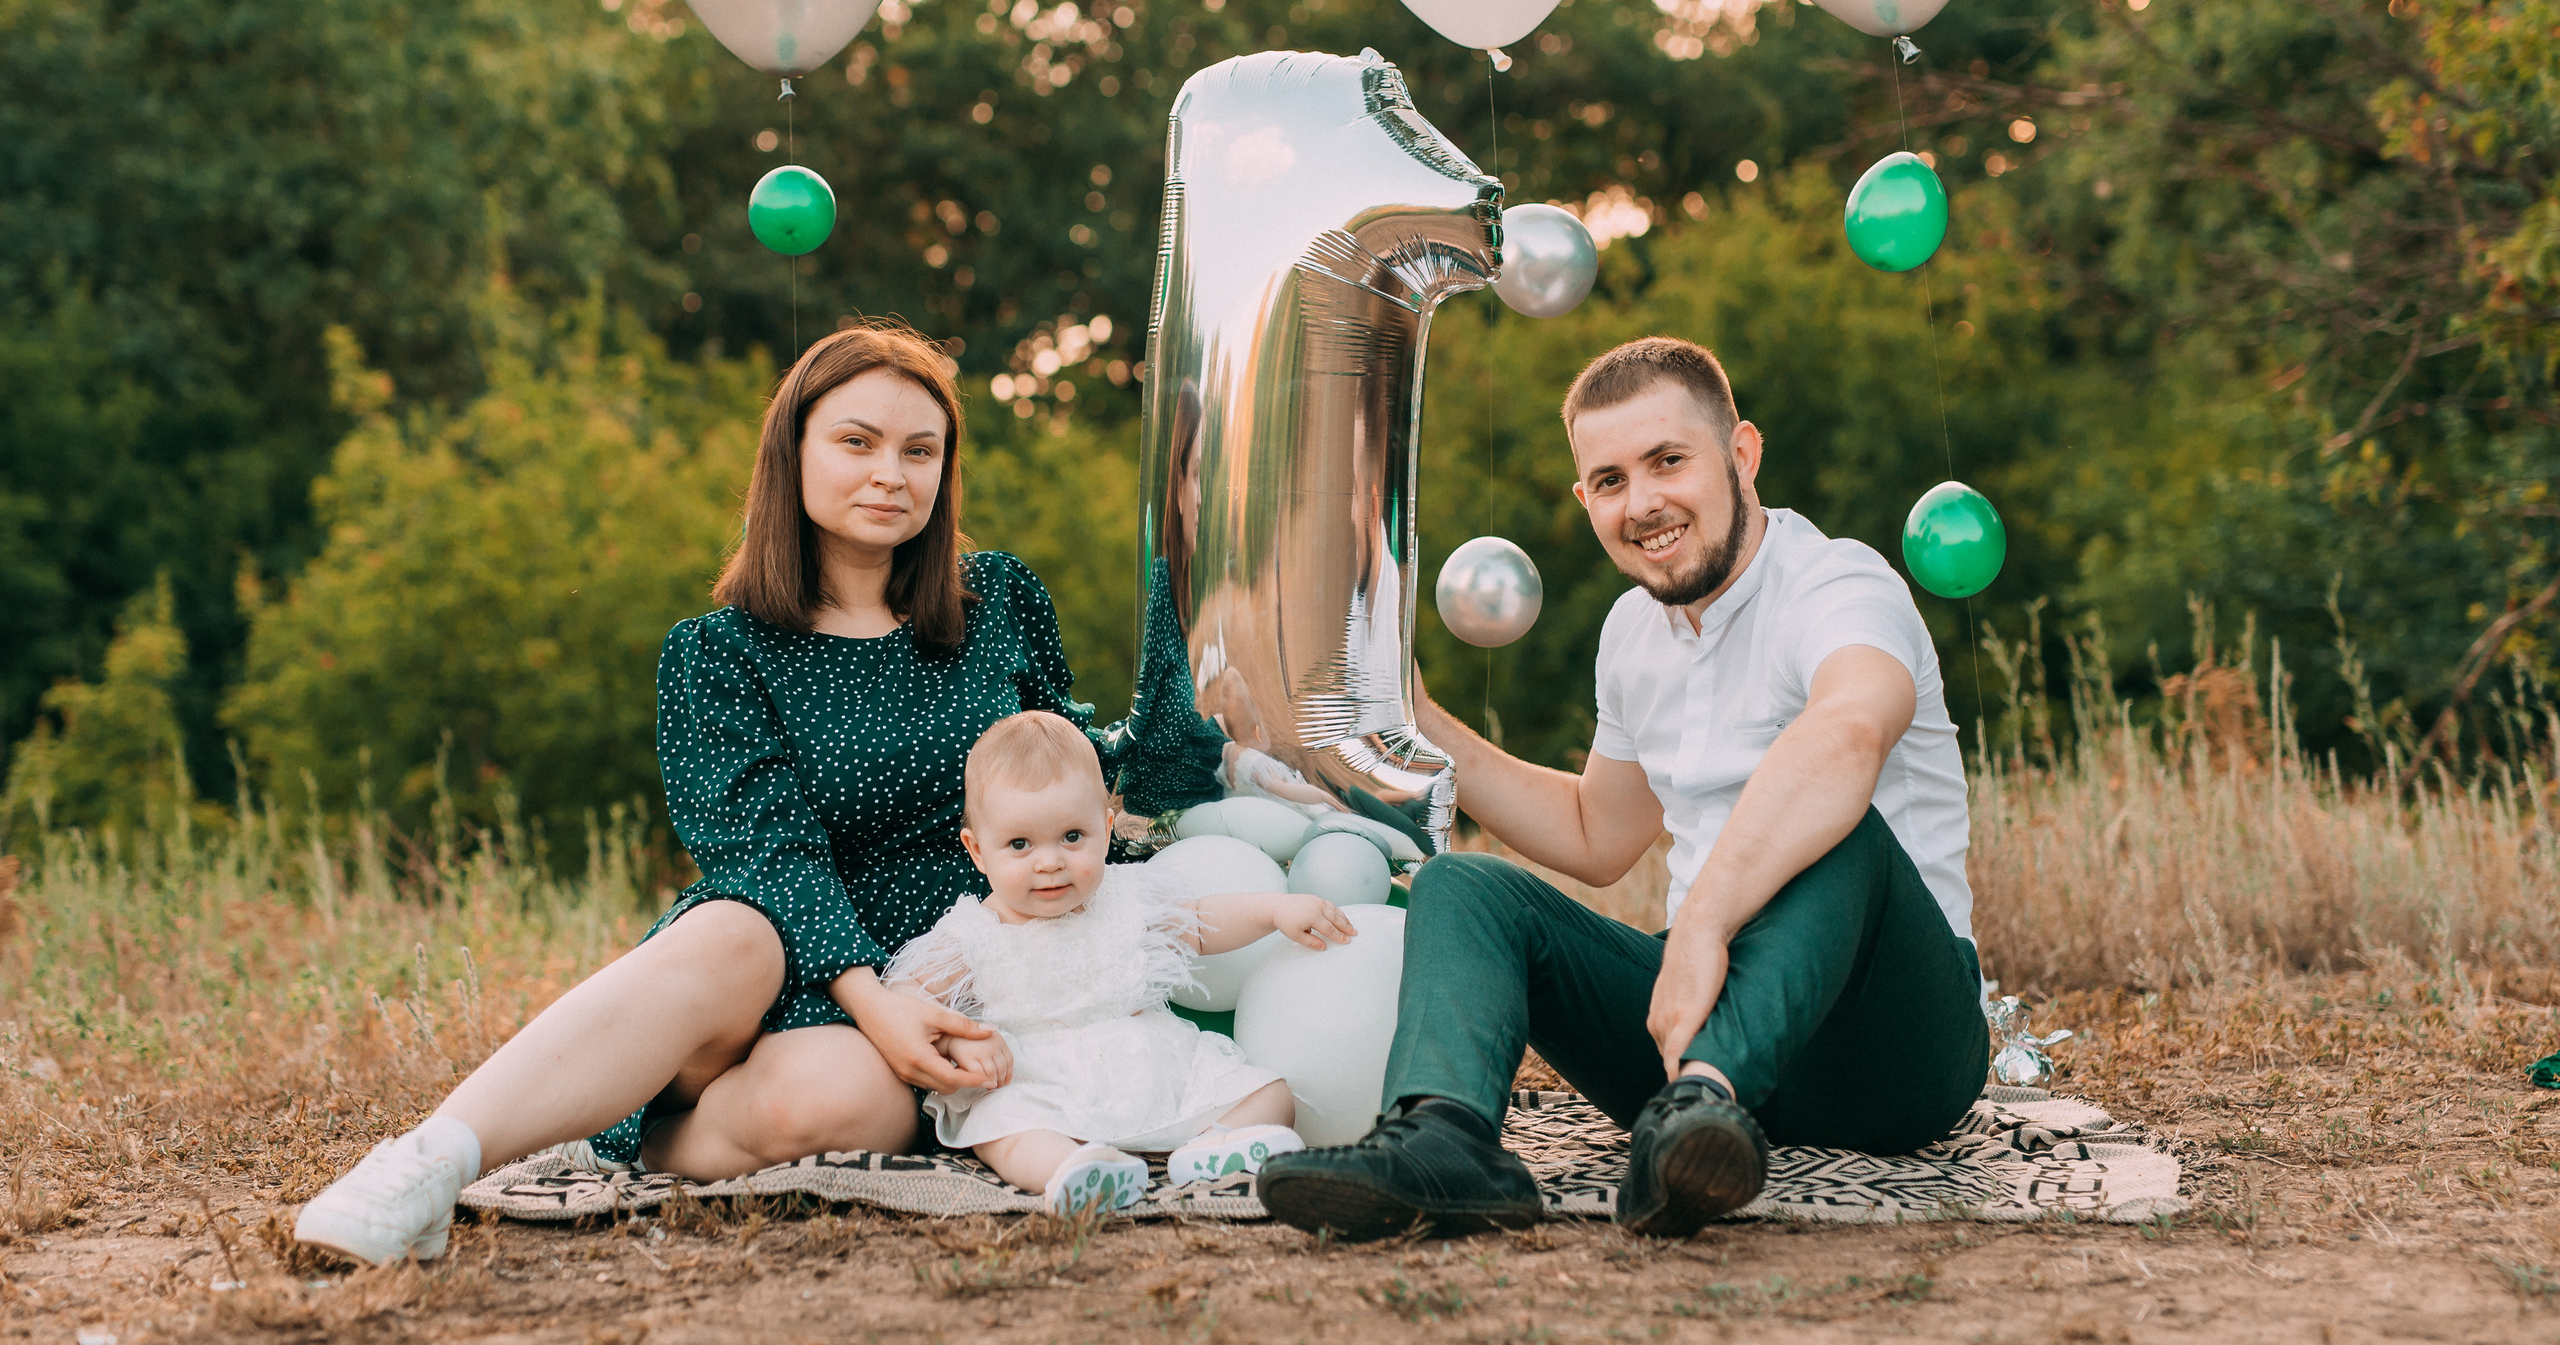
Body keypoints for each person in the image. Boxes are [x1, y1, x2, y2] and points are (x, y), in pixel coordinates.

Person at [291, 323, 1223, 1267]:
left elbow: (1057, 767)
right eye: (855, 442)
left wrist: (1175, 661)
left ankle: (647, 1133)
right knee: (734, 925)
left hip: (948, 962)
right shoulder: (718, 653)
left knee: (839, 1105)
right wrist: (871, 1000)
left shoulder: (999, 601)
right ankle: (424, 1165)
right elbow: (765, 851)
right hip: (789, 947)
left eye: (919, 450)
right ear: (795, 453)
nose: (890, 474)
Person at [1257, 336, 1987, 1240]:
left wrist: (1704, 929)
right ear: (1584, 499)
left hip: (1895, 1045)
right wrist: (1417, 713)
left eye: (1667, 461)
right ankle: (1445, 1142)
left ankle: (1698, 1109)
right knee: (1465, 887)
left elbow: (1846, 736)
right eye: (1609, 481)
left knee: (1841, 819)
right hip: (1699, 1021)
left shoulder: (1838, 582)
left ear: (1742, 454)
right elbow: (1598, 836)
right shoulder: (1632, 633)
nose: (1642, 503)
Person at [886, 711, 1351, 1211]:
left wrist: (1273, 909)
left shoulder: (1128, 897)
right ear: (977, 851)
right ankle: (1073, 1170)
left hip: (1151, 1064)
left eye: (1071, 837)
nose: (1049, 862)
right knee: (1003, 1123)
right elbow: (905, 997)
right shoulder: (973, 934)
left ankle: (1214, 1147)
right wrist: (959, 1038)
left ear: (1106, 828)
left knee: (1271, 1093)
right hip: (1039, 1080)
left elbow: (1198, 922)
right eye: (1019, 844)